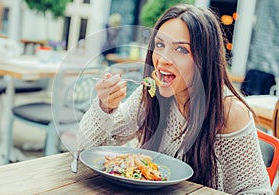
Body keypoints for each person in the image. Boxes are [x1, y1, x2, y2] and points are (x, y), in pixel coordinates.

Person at [78, 4, 272, 194]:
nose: (162, 59)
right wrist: (104, 107)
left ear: (204, 59)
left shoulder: (229, 113)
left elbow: (257, 191)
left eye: (181, 50)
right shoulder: (152, 94)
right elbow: (86, 149)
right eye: (160, 45)